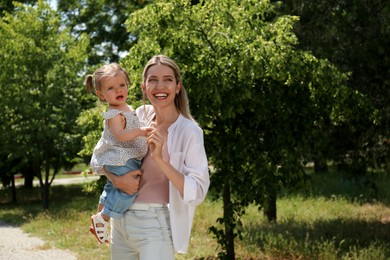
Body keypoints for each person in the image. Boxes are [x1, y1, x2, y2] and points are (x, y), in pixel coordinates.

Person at [102, 54, 210, 259]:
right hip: (121, 221)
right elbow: (108, 152)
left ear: (178, 86)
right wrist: (115, 180)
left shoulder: (189, 131)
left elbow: (197, 192)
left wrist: (161, 160)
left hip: (154, 225)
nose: (160, 86)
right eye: (153, 80)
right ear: (143, 87)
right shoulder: (139, 115)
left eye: (167, 80)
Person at [85, 63, 151, 244]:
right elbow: (121, 136)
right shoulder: (114, 114)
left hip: (123, 158)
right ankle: (104, 218)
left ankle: (98, 216)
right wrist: (142, 131)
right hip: (122, 158)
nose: (118, 90)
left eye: (122, 85)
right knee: (128, 191)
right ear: (101, 94)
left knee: (111, 188)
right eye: (111, 88)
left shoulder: (126, 108)